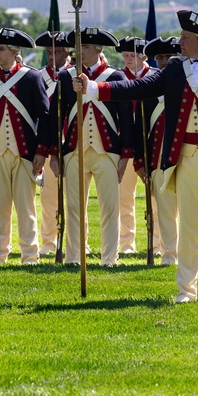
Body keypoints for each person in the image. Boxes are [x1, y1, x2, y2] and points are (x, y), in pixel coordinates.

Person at [78, 10, 198, 307]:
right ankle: (186, 290)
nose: (180, 41)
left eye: (185, 37)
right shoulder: (175, 69)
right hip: (185, 159)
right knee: (189, 230)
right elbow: (139, 88)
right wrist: (96, 88)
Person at [37, 28, 132, 267]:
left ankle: (109, 259)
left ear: (99, 49)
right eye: (78, 47)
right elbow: (56, 116)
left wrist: (125, 155)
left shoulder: (115, 76)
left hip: (107, 151)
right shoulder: (66, 77)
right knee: (74, 208)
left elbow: (125, 119)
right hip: (74, 150)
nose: (80, 52)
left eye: (86, 47)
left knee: (109, 208)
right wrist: (55, 153)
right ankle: (74, 257)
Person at [0, 27, 48, 265]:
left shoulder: (31, 77)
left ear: (15, 51)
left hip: (25, 152)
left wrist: (41, 150)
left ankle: (30, 256)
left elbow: (44, 115)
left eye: (1, 49)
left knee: (26, 208)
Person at [134, 36, 180, 264]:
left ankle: (195, 250)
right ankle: (169, 255)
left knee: (192, 210)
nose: (164, 61)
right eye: (160, 57)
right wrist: (140, 160)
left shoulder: (189, 83)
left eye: (169, 57)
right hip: (159, 157)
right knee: (164, 210)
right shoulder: (148, 87)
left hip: (186, 155)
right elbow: (140, 127)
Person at [33, 30, 72, 256]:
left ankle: (78, 242)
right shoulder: (38, 76)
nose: (51, 56)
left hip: (72, 140)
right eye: (48, 52)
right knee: (48, 197)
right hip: (47, 142)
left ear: (67, 52)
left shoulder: (75, 74)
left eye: (56, 52)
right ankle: (48, 242)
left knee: (74, 198)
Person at [117, 36, 149, 254]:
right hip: (125, 143)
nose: (128, 59)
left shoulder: (154, 76)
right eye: (126, 55)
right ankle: (127, 244)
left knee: (156, 197)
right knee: (124, 198)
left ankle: (158, 242)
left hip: (149, 142)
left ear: (143, 57)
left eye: (133, 55)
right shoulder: (118, 77)